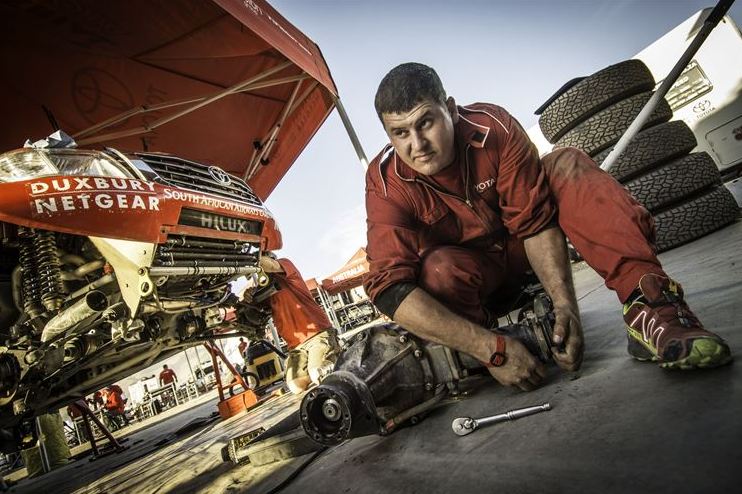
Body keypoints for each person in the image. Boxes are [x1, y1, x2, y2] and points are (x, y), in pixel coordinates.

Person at [363, 62, 732, 391]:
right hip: (473, 283)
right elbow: (389, 287)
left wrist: (565, 307)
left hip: (524, 250)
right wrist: (490, 350)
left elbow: (534, 223)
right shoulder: (384, 184)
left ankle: (649, 309)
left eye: (425, 123)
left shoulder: (494, 129)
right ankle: (481, 356)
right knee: (438, 270)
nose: (417, 145)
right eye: (400, 133)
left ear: (452, 110)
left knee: (564, 163)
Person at [258, 255, 340, 394]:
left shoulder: (286, 266)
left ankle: (337, 357)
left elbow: (271, 266)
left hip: (317, 335)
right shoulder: (263, 289)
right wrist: (248, 295)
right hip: (296, 348)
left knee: (318, 374)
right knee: (296, 387)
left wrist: (249, 258)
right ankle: (321, 362)